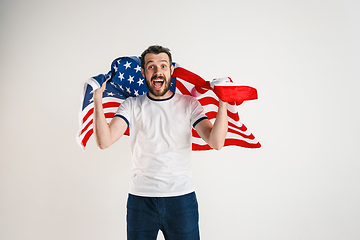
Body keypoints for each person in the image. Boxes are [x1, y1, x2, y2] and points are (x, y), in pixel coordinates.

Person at [93, 45, 228, 240]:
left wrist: (223, 102)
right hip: (141, 201)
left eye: (163, 66)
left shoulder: (189, 104)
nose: (158, 72)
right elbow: (104, 141)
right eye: (151, 67)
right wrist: (98, 98)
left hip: (181, 200)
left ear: (171, 70)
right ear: (143, 72)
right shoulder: (132, 105)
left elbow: (216, 142)